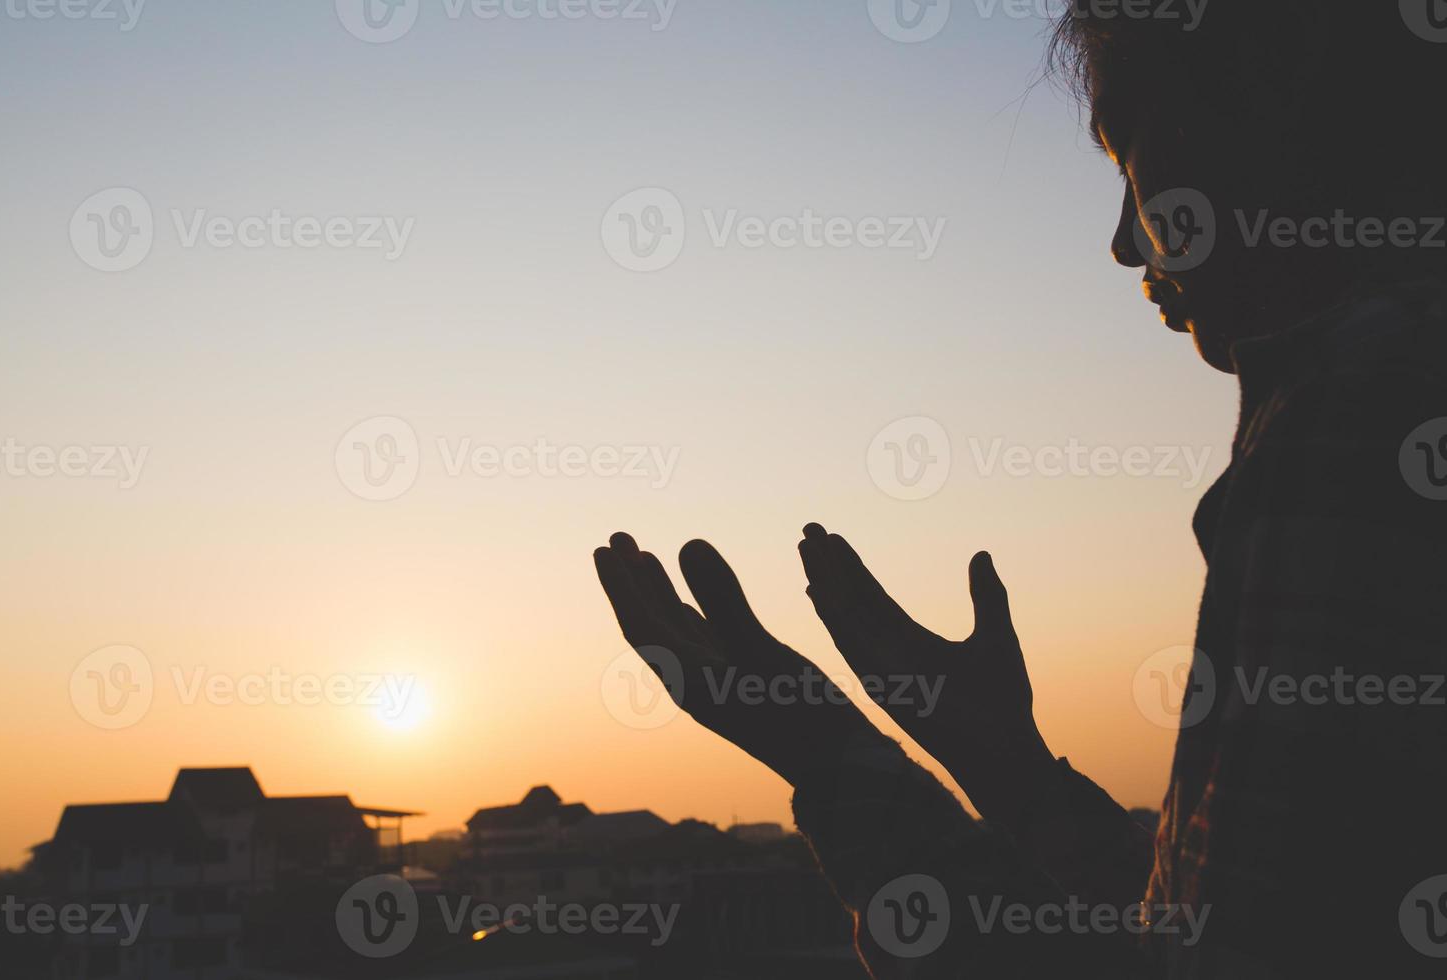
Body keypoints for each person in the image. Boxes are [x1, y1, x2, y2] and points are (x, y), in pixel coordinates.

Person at [595, 3, 1447, 976]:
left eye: (1133, 159)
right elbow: (1207, 934)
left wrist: (827, 754)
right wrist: (1002, 762)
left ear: (1270, 99)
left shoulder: (1365, 411)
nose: (1128, 243)